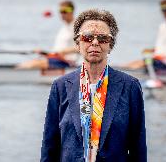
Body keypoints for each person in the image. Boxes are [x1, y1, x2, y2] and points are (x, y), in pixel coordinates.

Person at [40, 9, 147, 162]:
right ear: (78, 43)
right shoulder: (60, 86)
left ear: (110, 45)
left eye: (103, 38)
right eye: (88, 37)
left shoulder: (130, 86)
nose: (95, 42)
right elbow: (49, 146)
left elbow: (138, 148)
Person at [123, 0, 166, 70]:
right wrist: (152, 50)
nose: (165, 13)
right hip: (155, 59)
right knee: (132, 63)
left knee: (139, 64)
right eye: (163, 10)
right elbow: (163, 45)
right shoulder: (162, 26)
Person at [17, 0, 79, 69]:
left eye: (65, 11)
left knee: (28, 66)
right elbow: (57, 50)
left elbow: (80, 47)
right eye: (60, 11)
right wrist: (44, 52)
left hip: (68, 62)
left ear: (72, 11)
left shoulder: (77, 27)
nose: (62, 14)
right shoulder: (63, 28)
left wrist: (63, 51)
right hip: (56, 59)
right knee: (24, 64)